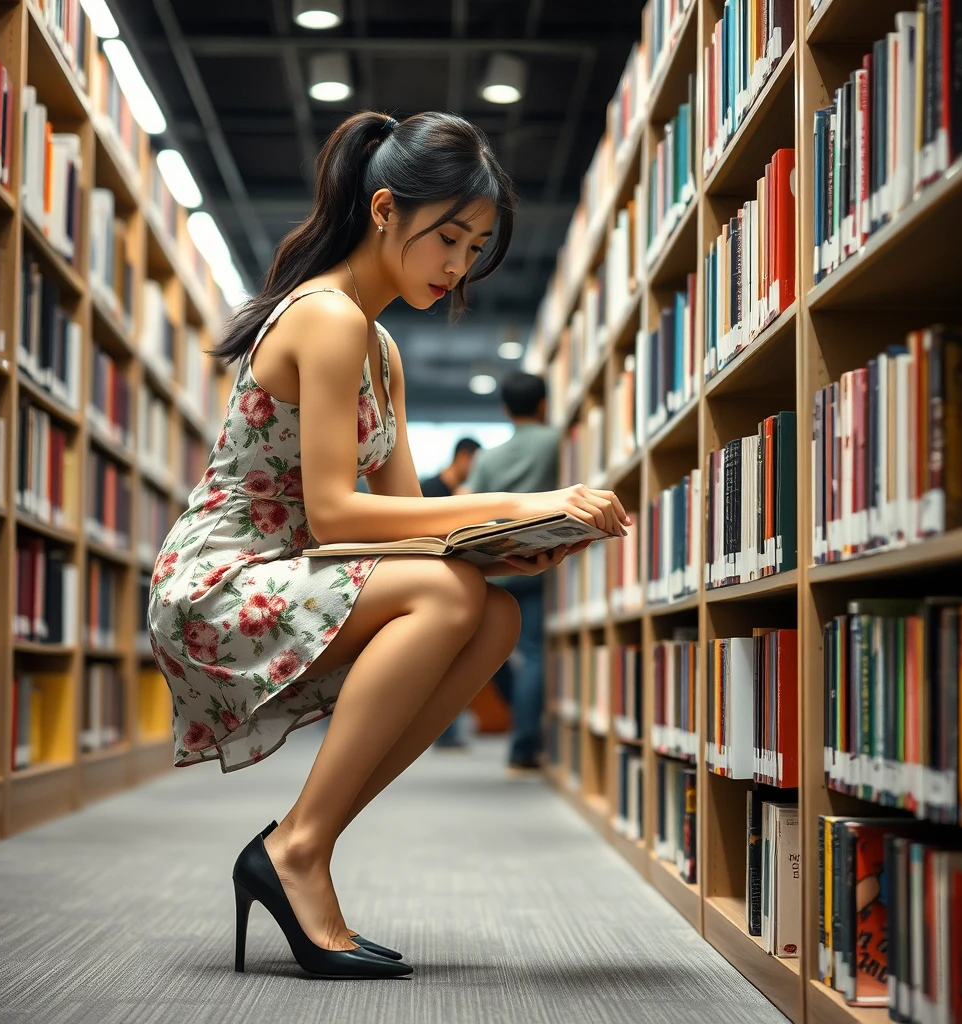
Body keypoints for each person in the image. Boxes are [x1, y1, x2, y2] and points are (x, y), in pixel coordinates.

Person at [146, 110, 630, 982]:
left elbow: (407, 519)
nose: (457, 269)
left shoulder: (381, 348)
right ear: (382, 210)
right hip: (220, 580)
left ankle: (299, 842)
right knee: (450, 598)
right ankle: (297, 851)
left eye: (475, 249)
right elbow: (336, 515)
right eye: (448, 238)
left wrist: (499, 545)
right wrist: (528, 495)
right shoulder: (327, 317)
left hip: (294, 573)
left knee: (486, 615)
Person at [462, 372, 559, 775]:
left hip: (495, 564)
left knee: (496, 651)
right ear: (543, 404)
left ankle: (515, 721)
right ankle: (523, 749)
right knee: (534, 653)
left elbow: (471, 507)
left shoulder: (487, 458)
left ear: (505, 408)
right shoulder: (555, 441)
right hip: (539, 560)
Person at [420, 436, 481, 748]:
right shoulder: (431, 488)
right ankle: (444, 734)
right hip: (433, 577)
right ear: (462, 457)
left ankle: (448, 733)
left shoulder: (465, 493)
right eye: (475, 461)